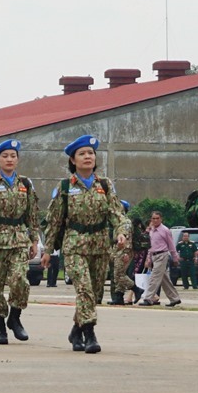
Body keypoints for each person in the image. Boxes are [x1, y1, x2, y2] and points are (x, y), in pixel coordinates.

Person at [41, 135, 129, 354]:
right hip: (74, 245)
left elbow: (117, 213)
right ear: (73, 160)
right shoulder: (64, 187)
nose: (88, 157)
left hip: (99, 245)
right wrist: (48, 250)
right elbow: (54, 221)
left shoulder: (105, 185)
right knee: (85, 290)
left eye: (91, 153)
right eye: (82, 154)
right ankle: (90, 334)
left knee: (95, 293)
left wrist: (121, 233)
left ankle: (75, 330)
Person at [0, 139, 40, 344]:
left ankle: (15, 318)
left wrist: (34, 240)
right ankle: (0, 327)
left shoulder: (25, 184)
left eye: (13, 156)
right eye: (5, 156)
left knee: (20, 280)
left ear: (18, 160)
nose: (9, 159)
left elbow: (32, 214)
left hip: (19, 238)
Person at [139, 212, 180, 307]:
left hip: (162, 255)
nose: (155, 220)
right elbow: (150, 246)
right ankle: (175, 298)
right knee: (163, 279)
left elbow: (171, 245)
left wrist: (175, 258)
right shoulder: (152, 230)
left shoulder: (165, 230)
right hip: (154, 255)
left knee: (154, 277)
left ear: (161, 219)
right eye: (153, 218)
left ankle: (148, 298)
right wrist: (148, 258)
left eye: (157, 218)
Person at [109, 200, 140, 304]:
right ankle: (119, 297)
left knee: (119, 274)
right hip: (118, 250)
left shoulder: (125, 222)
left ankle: (137, 289)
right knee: (117, 274)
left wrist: (126, 252)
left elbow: (126, 238)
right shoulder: (118, 221)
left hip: (124, 251)